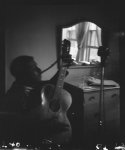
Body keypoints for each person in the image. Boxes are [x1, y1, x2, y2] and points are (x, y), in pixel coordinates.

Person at [0, 55, 72, 148]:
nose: (39, 70)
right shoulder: (15, 96)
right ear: (23, 75)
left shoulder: (33, 86)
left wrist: (64, 67)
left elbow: (50, 85)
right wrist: (51, 127)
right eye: (33, 68)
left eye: (36, 66)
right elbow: (25, 127)